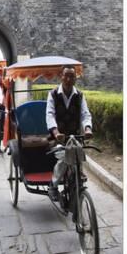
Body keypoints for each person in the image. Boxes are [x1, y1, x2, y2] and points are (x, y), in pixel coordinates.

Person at [46, 65, 93, 201]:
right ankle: (53, 185)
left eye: (72, 76)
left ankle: (77, 176)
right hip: (58, 138)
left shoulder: (79, 95)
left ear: (75, 78)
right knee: (64, 157)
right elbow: (50, 115)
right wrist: (55, 132)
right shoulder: (53, 94)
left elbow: (85, 114)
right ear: (61, 77)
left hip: (75, 136)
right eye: (66, 75)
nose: (68, 78)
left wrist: (88, 128)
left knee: (78, 153)